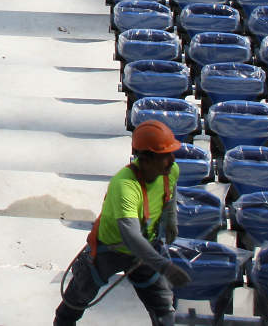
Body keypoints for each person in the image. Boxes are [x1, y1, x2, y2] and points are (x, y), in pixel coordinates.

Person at [53, 120, 189, 326]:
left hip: (147, 249)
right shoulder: (124, 186)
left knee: (164, 310)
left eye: (172, 153)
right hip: (110, 250)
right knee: (76, 301)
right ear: (146, 158)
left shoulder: (171, 171)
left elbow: (170, 193)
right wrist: (165, 267)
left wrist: (171, 219)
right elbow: (132, 238)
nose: (172, 160)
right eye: (165, 155)